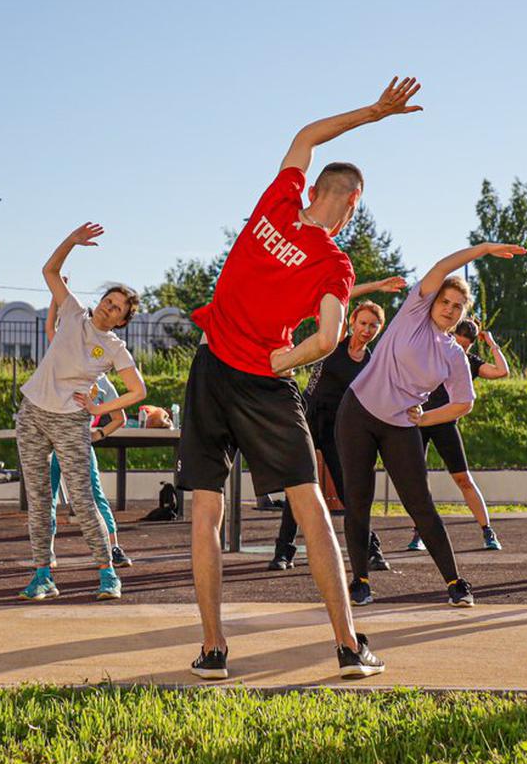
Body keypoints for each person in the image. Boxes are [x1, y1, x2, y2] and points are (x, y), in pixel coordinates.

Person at [177, 75, 424, 680]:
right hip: (260, 382)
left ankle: (213, 651)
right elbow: (330, 336)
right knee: (310, 506)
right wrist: (277, 363)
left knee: (205, 511)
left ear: (315, 188)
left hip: (209, 369)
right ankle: (347, 647)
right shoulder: (334, 263)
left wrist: (371, 112)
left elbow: (306, 134)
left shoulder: (277, 203)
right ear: (354, 202)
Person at [336, 241, 526, 608]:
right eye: (445, 302)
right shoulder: (413, 312)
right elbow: (441, 266)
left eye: (457, 307)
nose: (450, 310)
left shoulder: (455, 355)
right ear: (433, 301)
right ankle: (360, 580)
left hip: (400, 425)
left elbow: (463, 403)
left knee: (420, 504)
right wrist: (484, 249)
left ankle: (455, 583)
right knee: (358, 500)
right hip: (358, 412)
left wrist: (425, 418)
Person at [16, 223, 146, 602]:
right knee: (40, 500)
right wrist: (71, 241)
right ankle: (43, 575)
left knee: (83, 500)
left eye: (119, 307)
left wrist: (100, 409)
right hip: (32, 414)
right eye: (109, 299)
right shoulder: (73, 312)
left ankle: (108, 574)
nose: (110, 306)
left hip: (70, 421)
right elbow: (50, 272)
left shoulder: (114, 347)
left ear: (123, 319)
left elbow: (138, 390)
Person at [269, 279, 406, 572]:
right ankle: (284, 552)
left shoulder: (370, 362)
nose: (367, 330)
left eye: (373, 326)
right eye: (364, 322)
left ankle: (372, 549)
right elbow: (340, 296)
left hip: (338, 425)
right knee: (299, 485)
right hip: (307, 417)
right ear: (352, 321)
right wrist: (378, 286)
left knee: (349, 490)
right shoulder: (337, 337)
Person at [45, 288, 133, 569]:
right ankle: (46, 550)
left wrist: (98, 433)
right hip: (53, 436)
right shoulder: (66, 357)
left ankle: (114, 546)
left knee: (94, 493)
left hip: (78, 441)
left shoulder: (103, 382)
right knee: (48, 493)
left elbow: (119, 416)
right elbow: (52, 328)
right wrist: (54, 299)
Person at [407, 318, 509, 552]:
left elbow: (501, 371)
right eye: (457, 343)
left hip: (445, 423)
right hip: (419, 421)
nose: (460, 349)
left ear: (471, 346)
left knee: (463, 479)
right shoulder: (434, 352)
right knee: (416, 481)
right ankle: (418, 533)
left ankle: (487, 531)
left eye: (465, 347)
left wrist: (491, 343)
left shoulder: (470, 362)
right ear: (450, 335)